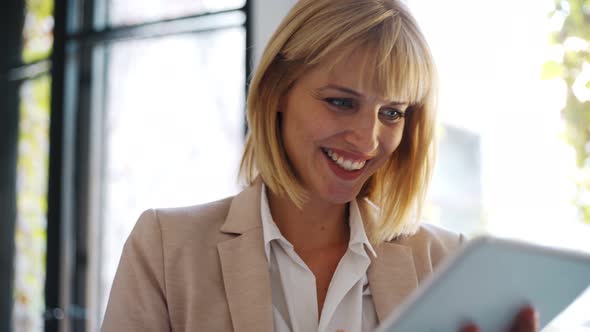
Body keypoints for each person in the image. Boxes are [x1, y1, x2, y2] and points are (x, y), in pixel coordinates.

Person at [101, 0, 538, 331]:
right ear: (277, 92)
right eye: (341, 102)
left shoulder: (444, 262)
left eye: (392, 113)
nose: (368, 139)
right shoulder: (165, 249)